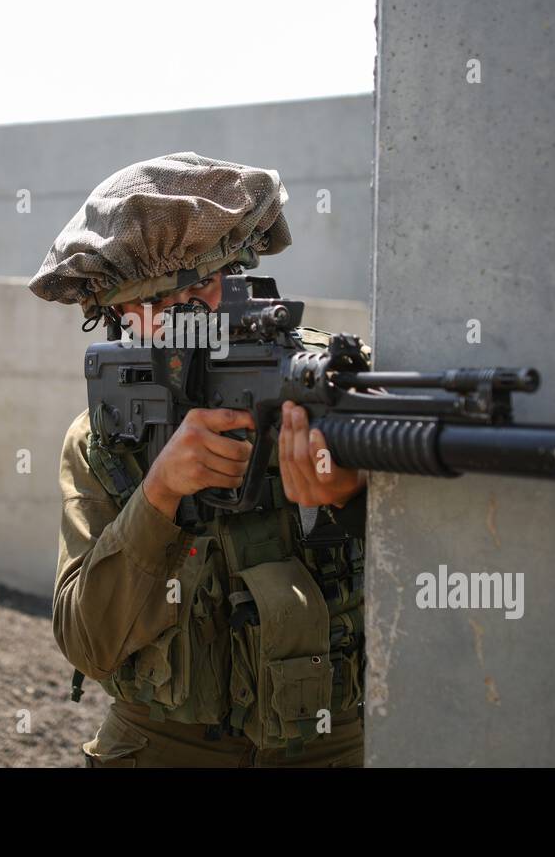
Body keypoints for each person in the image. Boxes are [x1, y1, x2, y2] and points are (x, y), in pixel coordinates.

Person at [29, 152, 367, 767]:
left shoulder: (328, 385)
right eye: (164, 304)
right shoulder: (102, 439)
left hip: (329, 741)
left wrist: (352, 493)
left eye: (207, 287)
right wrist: (157, 496)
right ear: (120, 318)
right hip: (160, 744)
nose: (197, 322)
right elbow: (88, 644)